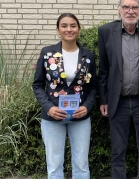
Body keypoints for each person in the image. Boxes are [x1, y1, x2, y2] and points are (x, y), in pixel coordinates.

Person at [97, 0, 139, 179]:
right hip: (118, 102)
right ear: (119, 10)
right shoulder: (106, 32)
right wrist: (103, 99)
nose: (130, 11)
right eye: (126, 7)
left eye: (135, 7)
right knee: (118, 151)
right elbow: (104, 70)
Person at [32, 13, 97, 179]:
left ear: (79, 29)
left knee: (81, 165)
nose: (69, 29)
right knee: (54, 166)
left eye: (73, 25)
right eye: (64, 26)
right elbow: (37, 85)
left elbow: (93, 87)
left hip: (80, 117)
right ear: (58, 30)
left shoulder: (88, 56)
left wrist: (87, 107)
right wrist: (49, 108)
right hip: (52, 117)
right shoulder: (47, 53)